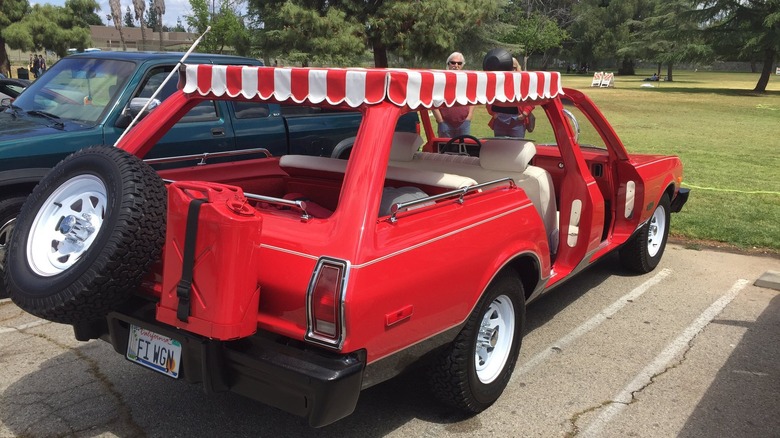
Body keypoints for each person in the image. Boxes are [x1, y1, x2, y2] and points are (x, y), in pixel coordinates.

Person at [486, 57, 535, 138]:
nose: (512, 70)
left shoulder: (524, 82)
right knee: (500, 147)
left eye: (514, 68)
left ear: (518, 68)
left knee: (516, 147)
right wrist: (493, 113)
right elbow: (489, 98)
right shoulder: (498, 82)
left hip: (518, 121)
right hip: (500, 120)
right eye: (509, 68)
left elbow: (533, 98)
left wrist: (525, 113)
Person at [432, 52, 474, 138]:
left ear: (462, 65)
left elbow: (472, 98)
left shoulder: (467, 81)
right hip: (445, 124)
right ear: (448, 64)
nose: (456, 65)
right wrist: (440, 120)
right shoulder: (440, 81)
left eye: (459, 63)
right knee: (445, 149)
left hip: (464, 123)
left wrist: (469, 117)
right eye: (453, 62)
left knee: (464, 149)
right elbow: (433, 100)